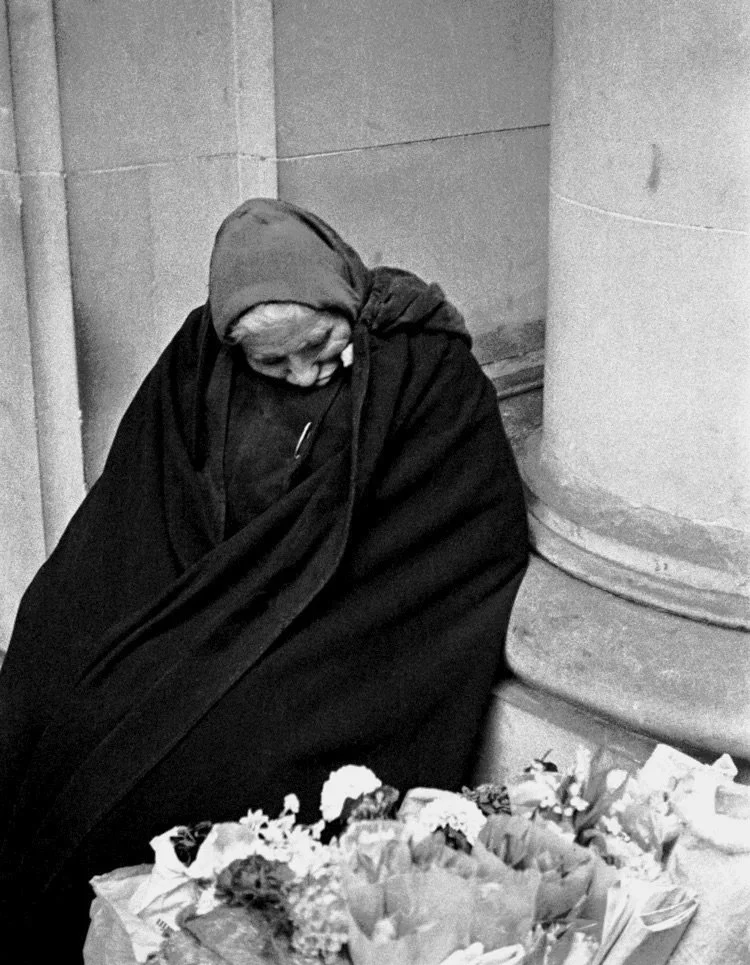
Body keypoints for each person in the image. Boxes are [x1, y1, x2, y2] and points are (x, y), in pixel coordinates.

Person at [0, 199, 529, 961]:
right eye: (272, 363)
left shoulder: (421, 368)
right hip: (204, 608)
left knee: (188, 769)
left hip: (335, 641)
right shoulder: (200, 362)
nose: (305, 372)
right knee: (56, 696)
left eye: (318, 344)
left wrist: (368, 395)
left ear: (342, 295)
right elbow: (137, 513)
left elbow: (458, 536)